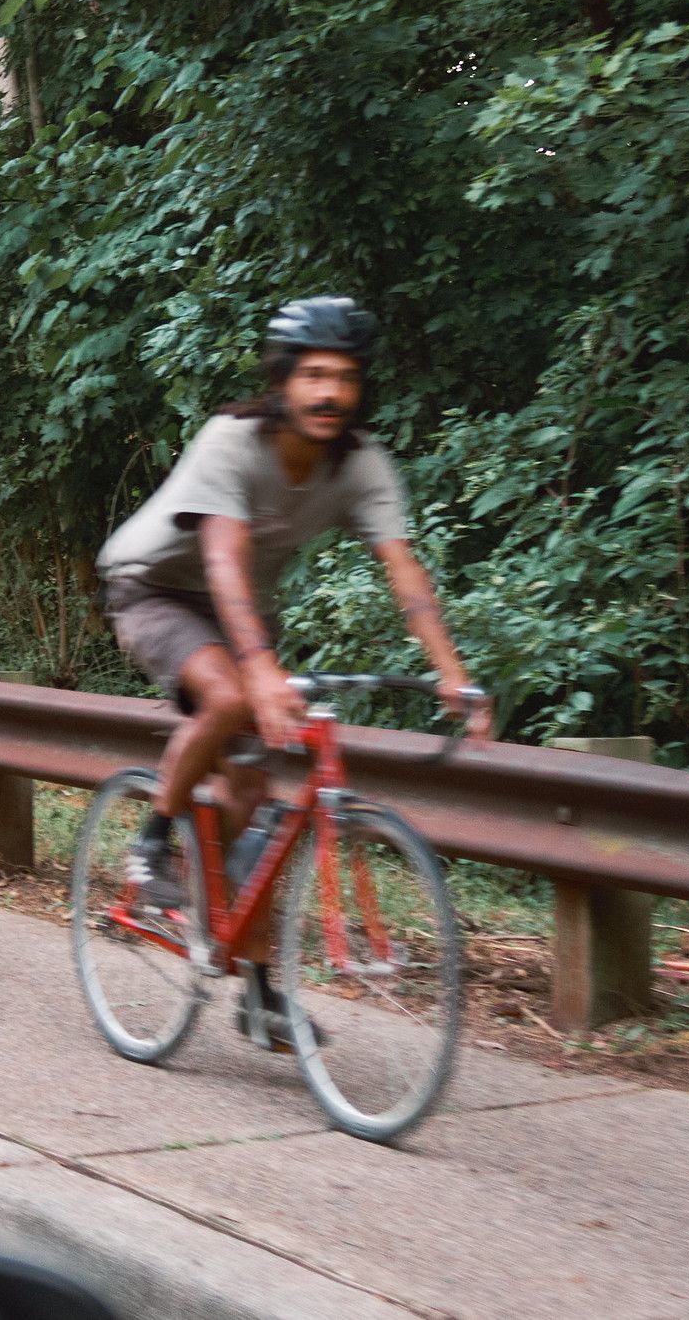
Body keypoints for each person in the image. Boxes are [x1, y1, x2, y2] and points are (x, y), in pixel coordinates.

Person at [95, 295, 487, 1044]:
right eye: (312, 375)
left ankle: (260, 991)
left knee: (257, 806)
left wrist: (452, 673)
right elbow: (222, 558)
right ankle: (149, 847)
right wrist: (263, 670)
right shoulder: (233, 441)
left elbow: (403, 570)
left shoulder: (360, 463)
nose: (329, 393)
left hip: (243, 612)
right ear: (282, 381)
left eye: (343, 377)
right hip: (157, 587)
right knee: (232, 694)